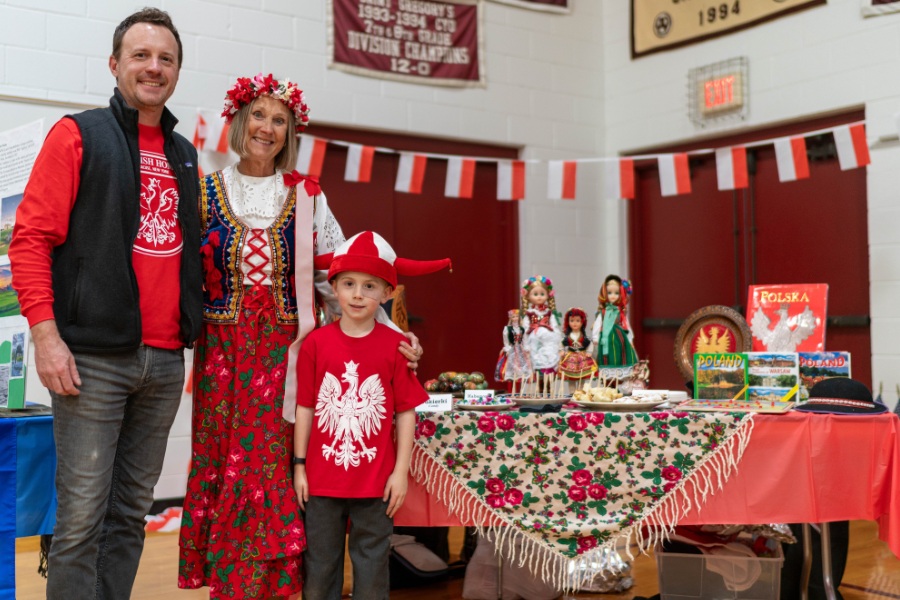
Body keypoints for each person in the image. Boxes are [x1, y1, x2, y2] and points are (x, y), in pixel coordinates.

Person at [177, 75, 424, 598]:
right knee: (226, 463)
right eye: (259, 116)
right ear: (239, 120)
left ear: (290, 132)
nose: (267, 128)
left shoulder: (308, 195)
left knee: (278, 467)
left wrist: (394, 335)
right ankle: (232, 582)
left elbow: (344, 278)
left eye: (279, 120)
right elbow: (177, 276)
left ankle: (279, 583)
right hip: (223, 359)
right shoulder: (202, 190)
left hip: (289, 358)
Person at [8, 8, 201, 598]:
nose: (154, 67)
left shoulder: (186, 153)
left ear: (176, 72)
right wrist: (46, 336)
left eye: (165, 58)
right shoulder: (78, 134)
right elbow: (31, 239)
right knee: (81, 520)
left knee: (128, 517)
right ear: (115, 65)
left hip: (166, 362)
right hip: (91, 359)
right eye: (141, 55)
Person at [293, 231, 450, 600]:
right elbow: (306, 407)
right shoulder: (316, 343)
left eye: (369, 286)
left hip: (375, 482)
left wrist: (400, 472)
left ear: (387, 293)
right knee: (319, 570)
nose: (358, 294)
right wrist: (299, 465)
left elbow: (406, 412)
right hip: (320, 480)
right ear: (333, 287)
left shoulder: (395, 348)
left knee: (372, 570)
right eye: (348, 284)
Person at [590, 275, 638, 366]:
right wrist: (596, 338)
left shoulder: (621, 313)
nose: (613, 296)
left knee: (621, 354)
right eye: (609, 293)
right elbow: (597, 325)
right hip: (605, 338)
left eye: (616, 293)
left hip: (620, 337)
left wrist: (630, 339)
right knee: (606, 356)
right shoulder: (603, 312)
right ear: (604, 293)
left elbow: (626, 326)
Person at [520, 275, 563, 377]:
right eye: (535, 294)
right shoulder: (529, 314)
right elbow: (525, 329)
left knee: (550, 364)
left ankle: (548, 386)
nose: (539, 296)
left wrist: (559, 345)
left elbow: (555, 328)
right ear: (528, 296)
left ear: (548, 295)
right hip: (534, 342)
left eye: (542, 294)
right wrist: (525, 345)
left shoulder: (549, 313)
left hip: (549, 341)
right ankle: (539, 387)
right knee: (536, 365)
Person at [558, 307, 597, 381]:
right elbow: (561, 343)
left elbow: (590, 344)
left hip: (582, 357)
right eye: (572, 321)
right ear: (568, 322)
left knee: (582, 376)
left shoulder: (584, 337)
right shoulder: (568, 337)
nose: (574, 323)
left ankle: (581, 390)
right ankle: (572, 392)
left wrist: (589, 352)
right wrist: (561, 350)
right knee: (571, 377)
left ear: (582, 322)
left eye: (578, 321)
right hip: (570, 357)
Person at [494, 308, 533, 385]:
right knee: (511, 365)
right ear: (511, 318)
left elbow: (524, 339)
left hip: (520, 349)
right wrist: (507, 349)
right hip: (512, 349)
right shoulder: (507, 329)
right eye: (513, 317)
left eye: (516, 317)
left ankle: (520, 383)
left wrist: (526, 348)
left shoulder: (522, 329)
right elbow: (506, 341)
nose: (515, 318)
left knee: (523, 365)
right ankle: (512, 384)